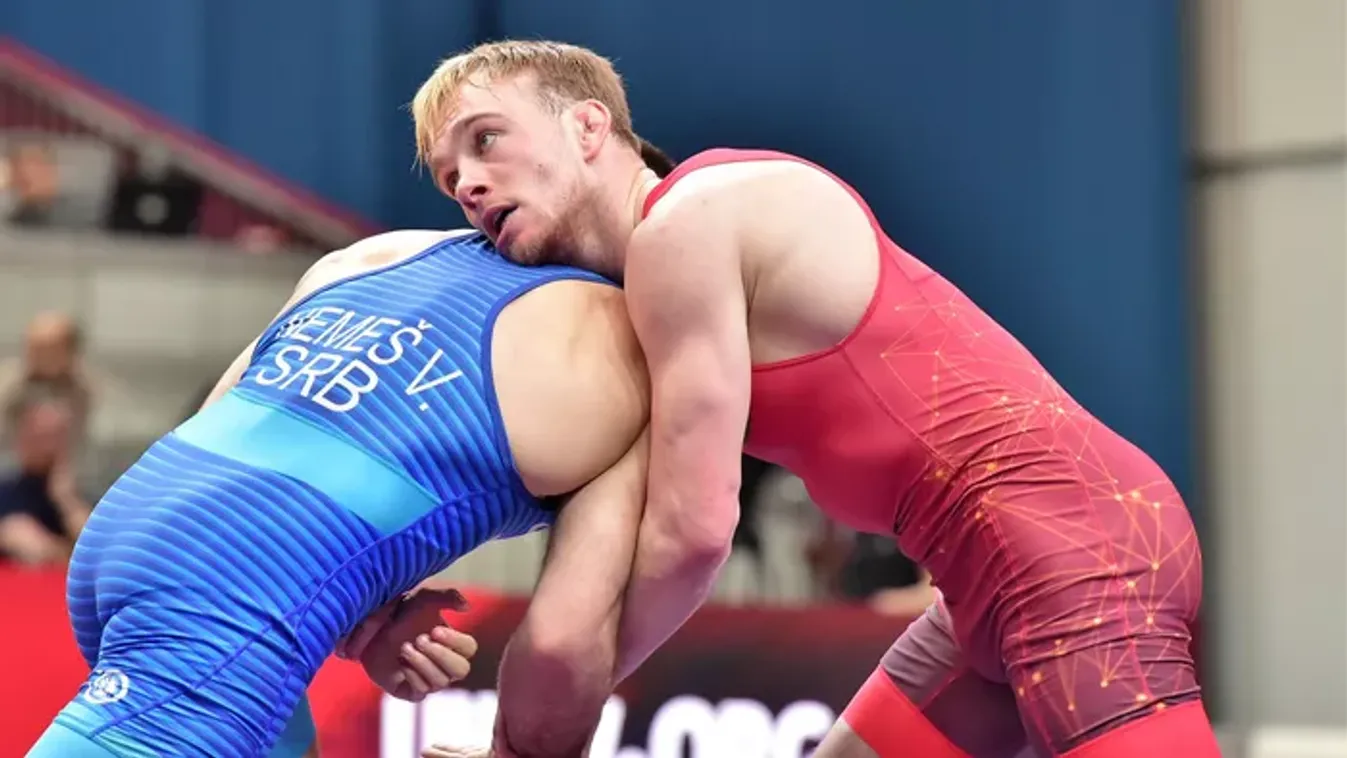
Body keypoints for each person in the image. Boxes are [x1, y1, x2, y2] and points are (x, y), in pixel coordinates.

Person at [410, 40, 1221, 758]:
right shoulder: (675, 260)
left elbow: (692, 533)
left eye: (486, 140)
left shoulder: (686, 226)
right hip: (995, 575)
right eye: (449, 179)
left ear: (589, 127)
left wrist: (549, 720)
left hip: (1071, 548)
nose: (469, 185)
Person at [26, 228, 655, 758]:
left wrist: (357, 612)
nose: (467, 182)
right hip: (229, 588)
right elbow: (569, 636)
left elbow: (224, 425)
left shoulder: (376, 255)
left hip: (155, 524)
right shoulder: (628, 355)